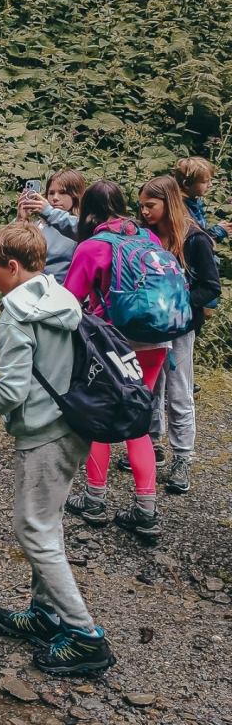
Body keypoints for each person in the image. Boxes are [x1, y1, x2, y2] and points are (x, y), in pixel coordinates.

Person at [0, 221, 116, 676]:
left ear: (12, 267)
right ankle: (45, 614)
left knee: (33, 528)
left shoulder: (16, 311)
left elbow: (12, 389)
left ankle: (85, 635)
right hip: (74, 425)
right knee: (46, 523)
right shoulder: (61, 295)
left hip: (44, 432)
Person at [61, 180, 167, 542]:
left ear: (87, 211)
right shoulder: (148, 239)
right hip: (157, 341)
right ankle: (146, 509)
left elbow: (69, 300)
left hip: (114, 344)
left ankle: (94, 499)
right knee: (138, 419)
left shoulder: (93, 246)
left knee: (100, 415)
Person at [137, 176, 220, 494]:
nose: (144, 212)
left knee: (179, 393)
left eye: (151, 206)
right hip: (150, 326)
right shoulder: (144, 235)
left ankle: (182, 458)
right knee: (151, 389)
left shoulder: (195, 239)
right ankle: (153, 446)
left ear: (168, 203)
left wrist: (177, 302)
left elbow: (211, 288)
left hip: (182, 328)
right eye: (142, 205)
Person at [16, 169, 85, 282]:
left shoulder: (81, 225)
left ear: (75, 195)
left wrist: (48, 212)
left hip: (65, 294)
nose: (55, 198)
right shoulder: (38, 227)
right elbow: (8, 252)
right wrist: (20, 220)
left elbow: (79, 228)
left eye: (63, 192)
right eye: (51, 193)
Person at [174, 156, 230, 243]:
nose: (210, 185)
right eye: (205, 181)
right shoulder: (181, 207)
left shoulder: (193, 199)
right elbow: (194, 240)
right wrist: (218, 232)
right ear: (187, 184)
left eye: (210, 180)